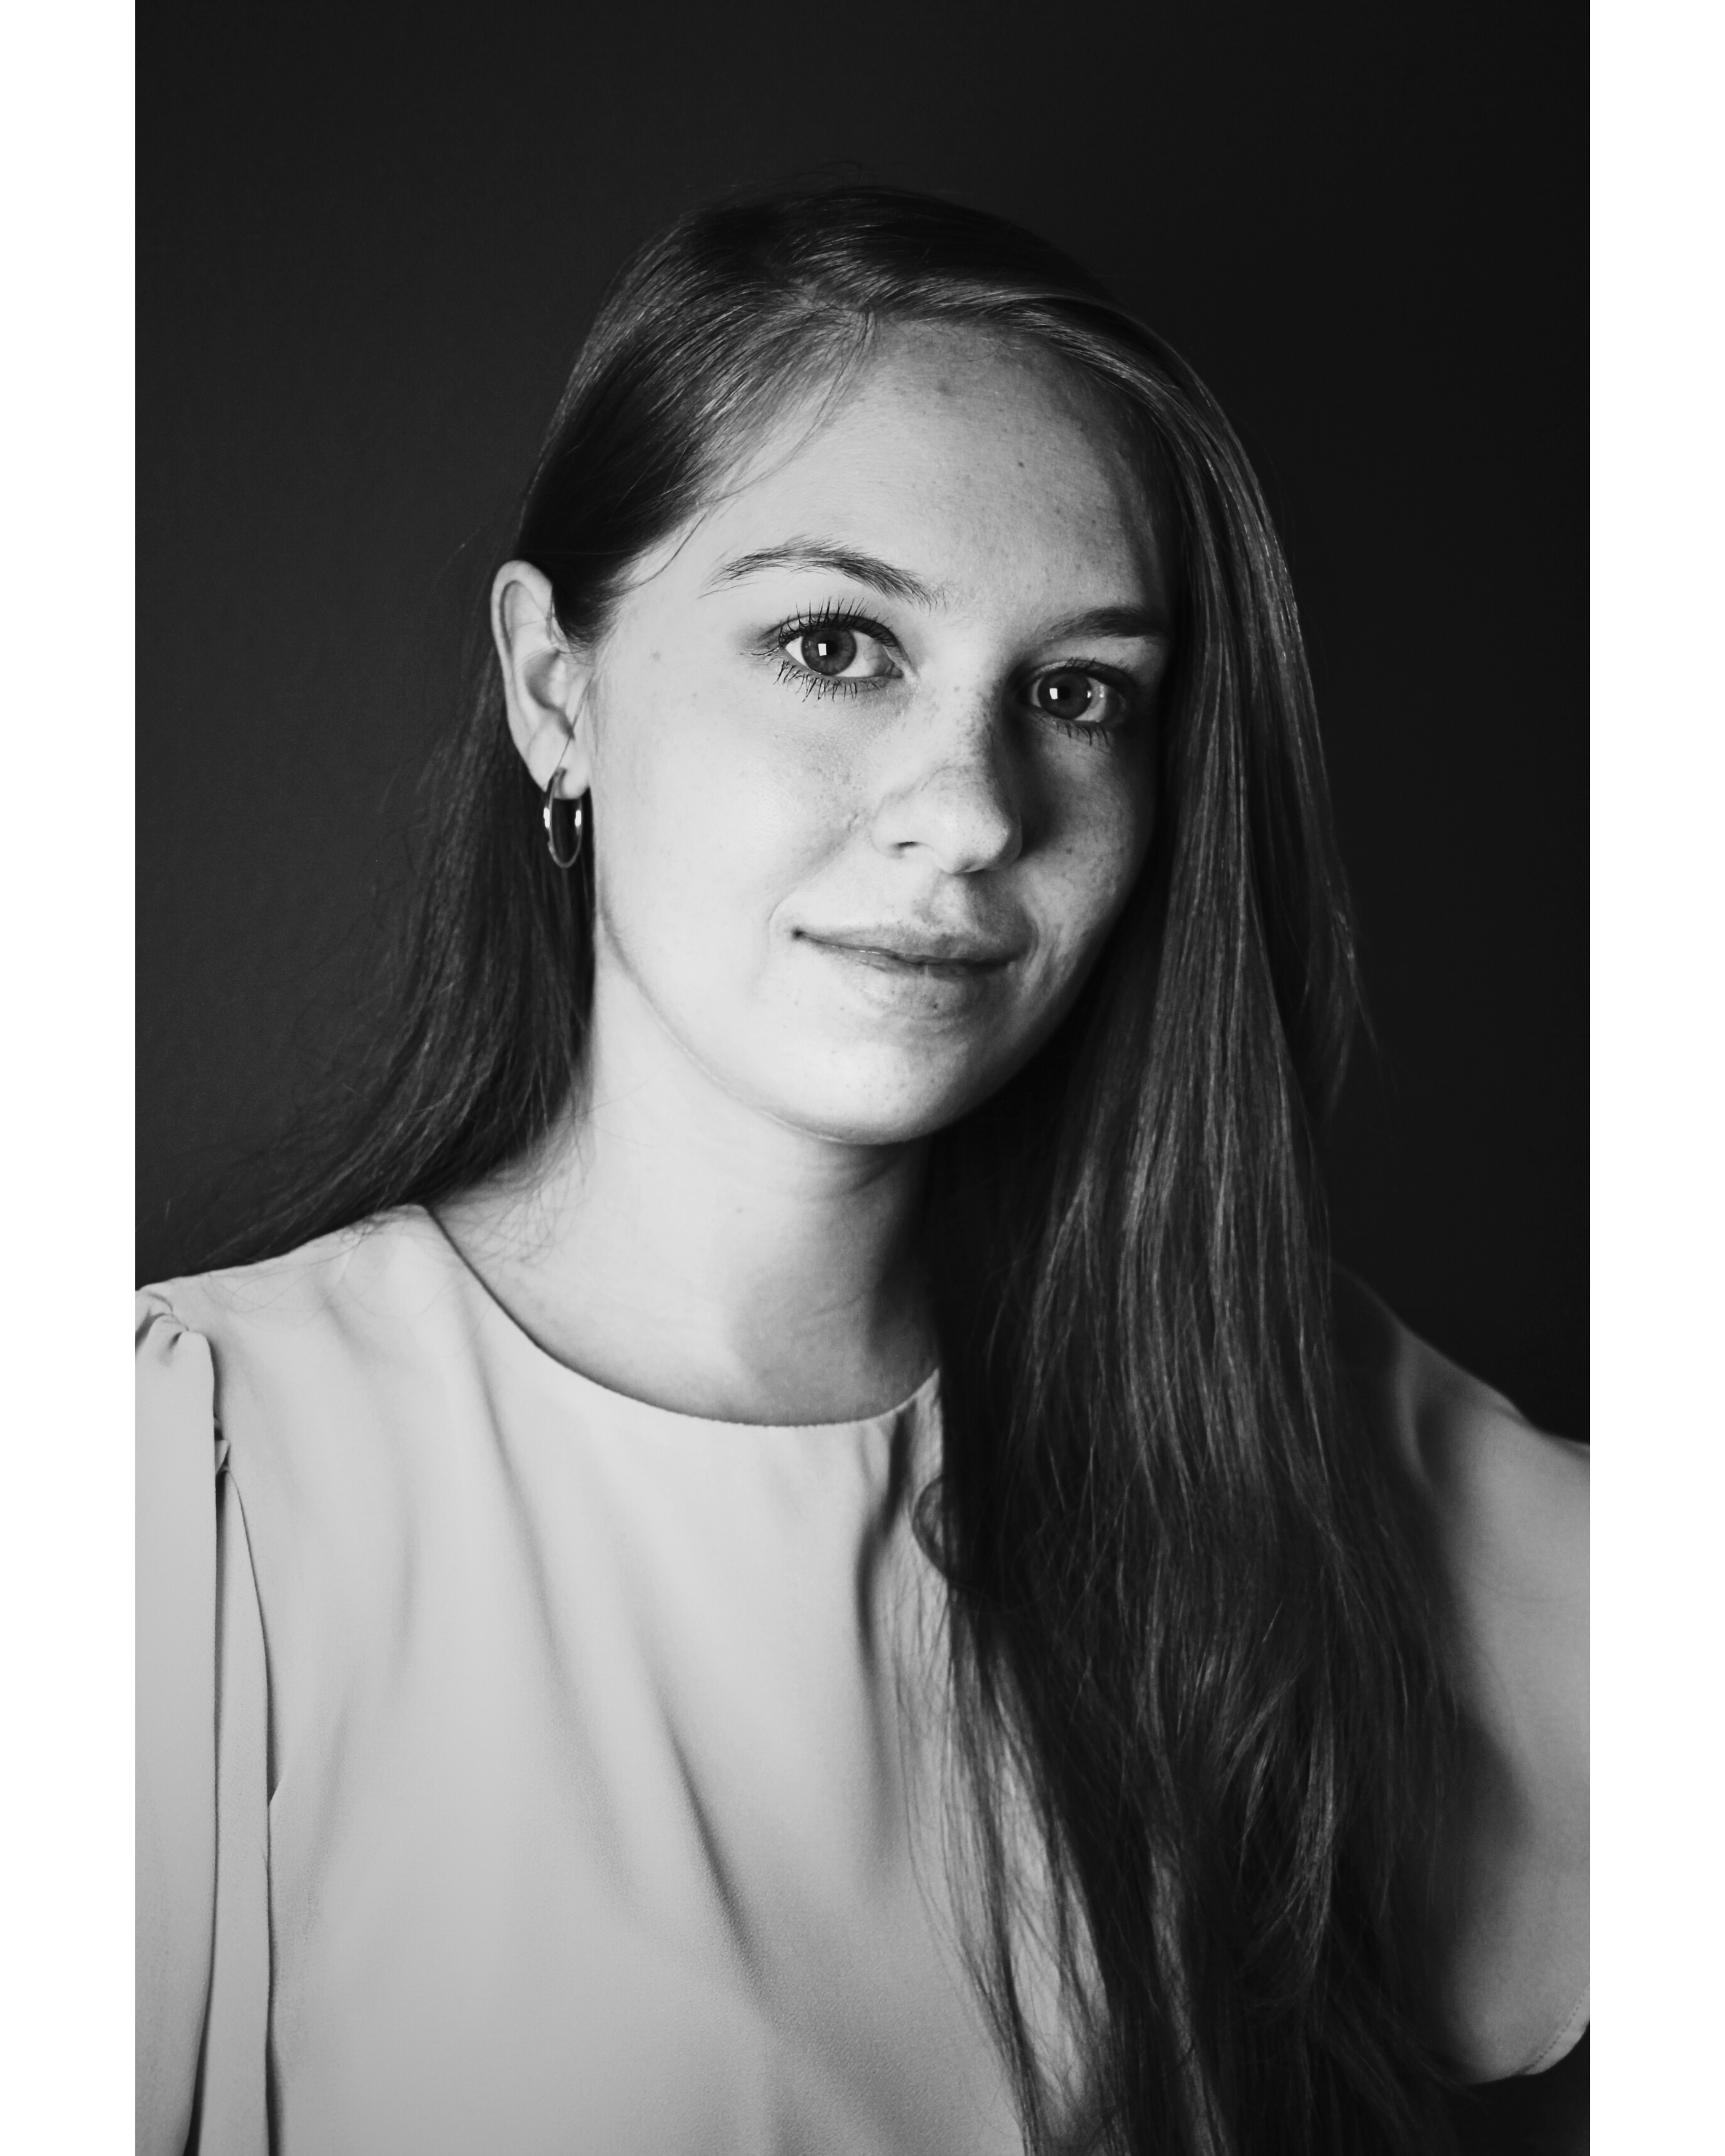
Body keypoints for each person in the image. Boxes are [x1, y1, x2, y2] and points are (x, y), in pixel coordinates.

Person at [136, 187, 1587, 2156]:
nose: (973, 811)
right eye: (835, 646)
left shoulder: (1276, 1413)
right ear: (556, 689)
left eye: (1078, 693)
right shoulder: (201, 1487)